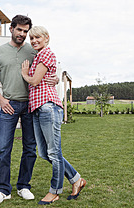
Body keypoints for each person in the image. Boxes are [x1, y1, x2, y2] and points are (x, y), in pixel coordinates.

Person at [0, 15, 58, 205]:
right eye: (19, 30)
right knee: (3, 148)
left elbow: (49, 69)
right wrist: (1, 100)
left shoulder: (33, 50)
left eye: (26, 31)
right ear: (11, 29)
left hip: (31, 106)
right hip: (8, 105)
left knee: (30, 149)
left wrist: (56, 79)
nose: (23, 34)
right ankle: (2, 190)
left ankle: (23, 185)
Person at [21, 26, 86, 205]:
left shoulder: (46, 54)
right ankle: (76, 180)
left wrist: (25, 75)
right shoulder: (38, 56)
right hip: (37, 108)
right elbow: (43, 78)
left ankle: (55, 191)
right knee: (44, 152)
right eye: (31, 38)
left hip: (48, 107)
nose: (34, 41)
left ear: (46, 38)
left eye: (37, 38)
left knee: (54, 152)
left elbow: (34, 81)